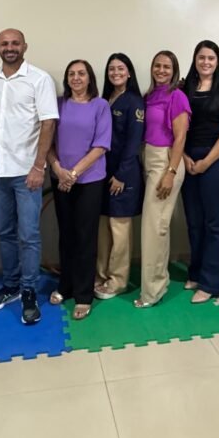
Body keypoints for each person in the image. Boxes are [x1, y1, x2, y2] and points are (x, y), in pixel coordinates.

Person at [0, 29, 59, 325]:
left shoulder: (39, 79)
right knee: (4, 233)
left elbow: (48, 123)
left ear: (25, 46)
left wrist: (39, 166)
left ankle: (29, 290)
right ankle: (11, 285)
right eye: (5, 43)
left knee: (28, 235)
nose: (10, 47)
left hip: (27, 172)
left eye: (15, 43)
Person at [47, 60, 112, 319]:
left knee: (85, 237)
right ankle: (66, 285)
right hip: (60, 178)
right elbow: (47, 141)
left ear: (89, 78)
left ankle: (84, 294)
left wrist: (73, 174)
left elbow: (101, 146)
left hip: (89, 181)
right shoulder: (57, 104)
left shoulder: (100, 105)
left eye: (81, 73)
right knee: (66, 234)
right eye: (71, 74)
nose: (76, 78)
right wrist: (58, 169)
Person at [181, 40, 219, 303]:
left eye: (211, 58)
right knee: (194, 220)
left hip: (216, 158)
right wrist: (184, 157)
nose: (206, 62)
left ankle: (211, 283)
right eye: (201, 58)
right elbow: (175, 128)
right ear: (195, 60)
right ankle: (195, 272)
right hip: (187, 158)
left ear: (217, 62)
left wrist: (206, 162)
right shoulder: (184, 88)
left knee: (214, 222)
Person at [135, 50, 190, 308]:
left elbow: (180, 138)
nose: (161, 70)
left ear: (174, 70)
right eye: (157, 65)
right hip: (148, 158)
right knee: (156, 226)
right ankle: (158, 281)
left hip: (165, 162)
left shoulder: (177, 96)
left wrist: (170, 172)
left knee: (154, 228)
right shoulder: (149, 96)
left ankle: (152, 292)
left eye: (167, 67)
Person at [95, 53, 145, 300]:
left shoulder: (134, 102)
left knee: (119, 228)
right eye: (111, 69)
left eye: (120, 68)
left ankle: (118, 280)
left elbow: (134, 142)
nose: (115, 73)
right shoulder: (104, 100)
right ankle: (101, 274)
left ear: (129, 73)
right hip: (102, 172)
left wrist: (122, 175)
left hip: (123, 174)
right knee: (103, 227)